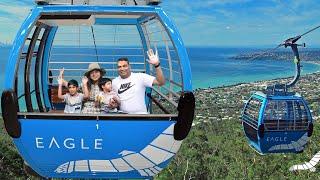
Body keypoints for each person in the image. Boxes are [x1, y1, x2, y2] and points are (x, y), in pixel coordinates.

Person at [111, 49, 165, 114]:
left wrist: (157, 65)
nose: (122, 69)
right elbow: (115, 101)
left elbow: (160, 82)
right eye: (119, 67)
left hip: (141, 116)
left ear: (129, 66)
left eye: (124, 66)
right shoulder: (114, 82)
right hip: (123, 117)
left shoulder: (140, 77)